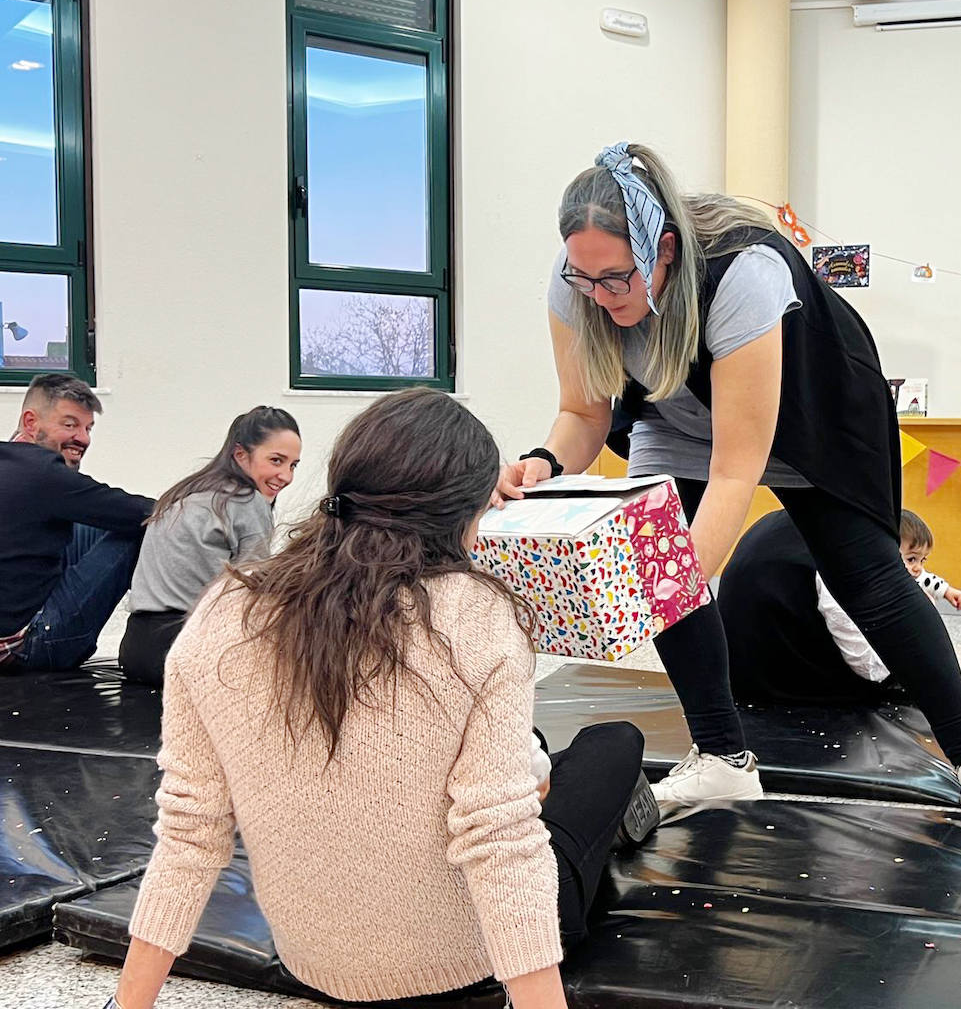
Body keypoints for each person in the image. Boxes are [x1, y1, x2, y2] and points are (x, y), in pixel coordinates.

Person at [495, 141, 961, 816]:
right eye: (585, 280)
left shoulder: (742, 271)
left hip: (812, 407)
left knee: (867, 578)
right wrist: (540, 463)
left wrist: (660, 593)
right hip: (678, 407)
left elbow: (734, 471)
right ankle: (722, 757)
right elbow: (581, 411)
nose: (599, 297)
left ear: (663, 250)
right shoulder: (578, 280)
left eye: (616, 280)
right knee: (659, 553)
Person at [109, 389, 655, 1009]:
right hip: (464, 957)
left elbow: (190, 831)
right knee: (612, 745)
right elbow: (501, 843)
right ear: (470, 513)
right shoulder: (478, 616)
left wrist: (127, 1005)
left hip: (310, 958)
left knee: (526, 768)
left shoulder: (224, 613)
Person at [720, 510, 961, 708]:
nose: (917, 568)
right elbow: (867, 666)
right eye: (911, 559)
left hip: (737, 676)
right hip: (785, 688)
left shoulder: (790, 520)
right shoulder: (844, 546)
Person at [118, 406, 301, 684]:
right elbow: (253, 591)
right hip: (182, 648)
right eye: (276, 461)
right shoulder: (247, 501)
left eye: (293, 465)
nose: (286, 476)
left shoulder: (188, 492)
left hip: (136, 647)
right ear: (241, 455)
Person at [0, 374, 153, 673]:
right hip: (25, 648)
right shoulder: (43, 474)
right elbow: (136, 510)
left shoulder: (11, 463)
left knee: (90, 523)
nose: (83, 438)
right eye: (69, 424)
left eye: (88, 428)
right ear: (31, 423)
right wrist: (198, 505)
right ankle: (159, 633)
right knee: (140, 526)